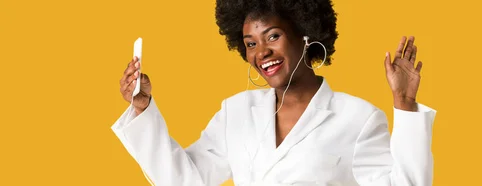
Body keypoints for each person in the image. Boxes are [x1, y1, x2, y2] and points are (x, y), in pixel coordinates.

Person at [112, 0, 436, 185]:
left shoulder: (358, 119)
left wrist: (405, 105)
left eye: (273, 36)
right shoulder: (235, 112)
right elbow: (185, 180)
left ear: (304, 34)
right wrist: (143, 108)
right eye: (251, 44)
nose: (261, 52)